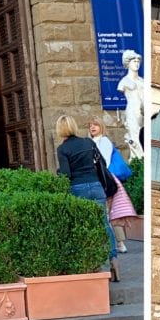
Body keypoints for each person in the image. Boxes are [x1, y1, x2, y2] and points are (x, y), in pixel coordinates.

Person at [55, 115, 119, 280]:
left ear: (60, 130)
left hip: (78, 188)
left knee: (83, 224)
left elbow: (66, 173)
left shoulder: (63, 149)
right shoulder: (88, 143)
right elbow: (102, 163)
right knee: (104, 223)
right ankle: (113, 260)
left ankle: (93, 264)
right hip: (96, 186)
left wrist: (58, 173)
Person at [88, 119, 136, 253]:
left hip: (106, 180)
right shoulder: (92, 142)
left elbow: (105, 161)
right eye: (90, 125)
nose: (92, 127)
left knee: (111, 211)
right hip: (101, 179)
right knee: (108, 211)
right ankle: (117, 243)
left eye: (95, 124)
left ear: (101, 127)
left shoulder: (104, 141)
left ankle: (120, 243)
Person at [117, 50, 145, 156]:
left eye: (138, 61)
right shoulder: (124, 82)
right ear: (128, 63)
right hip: (133, 110)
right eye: (134, 61)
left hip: (144, 110)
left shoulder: (142, 81)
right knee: (135, 139)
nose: (137, 63)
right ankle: (138, 163)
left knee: (144, 137)